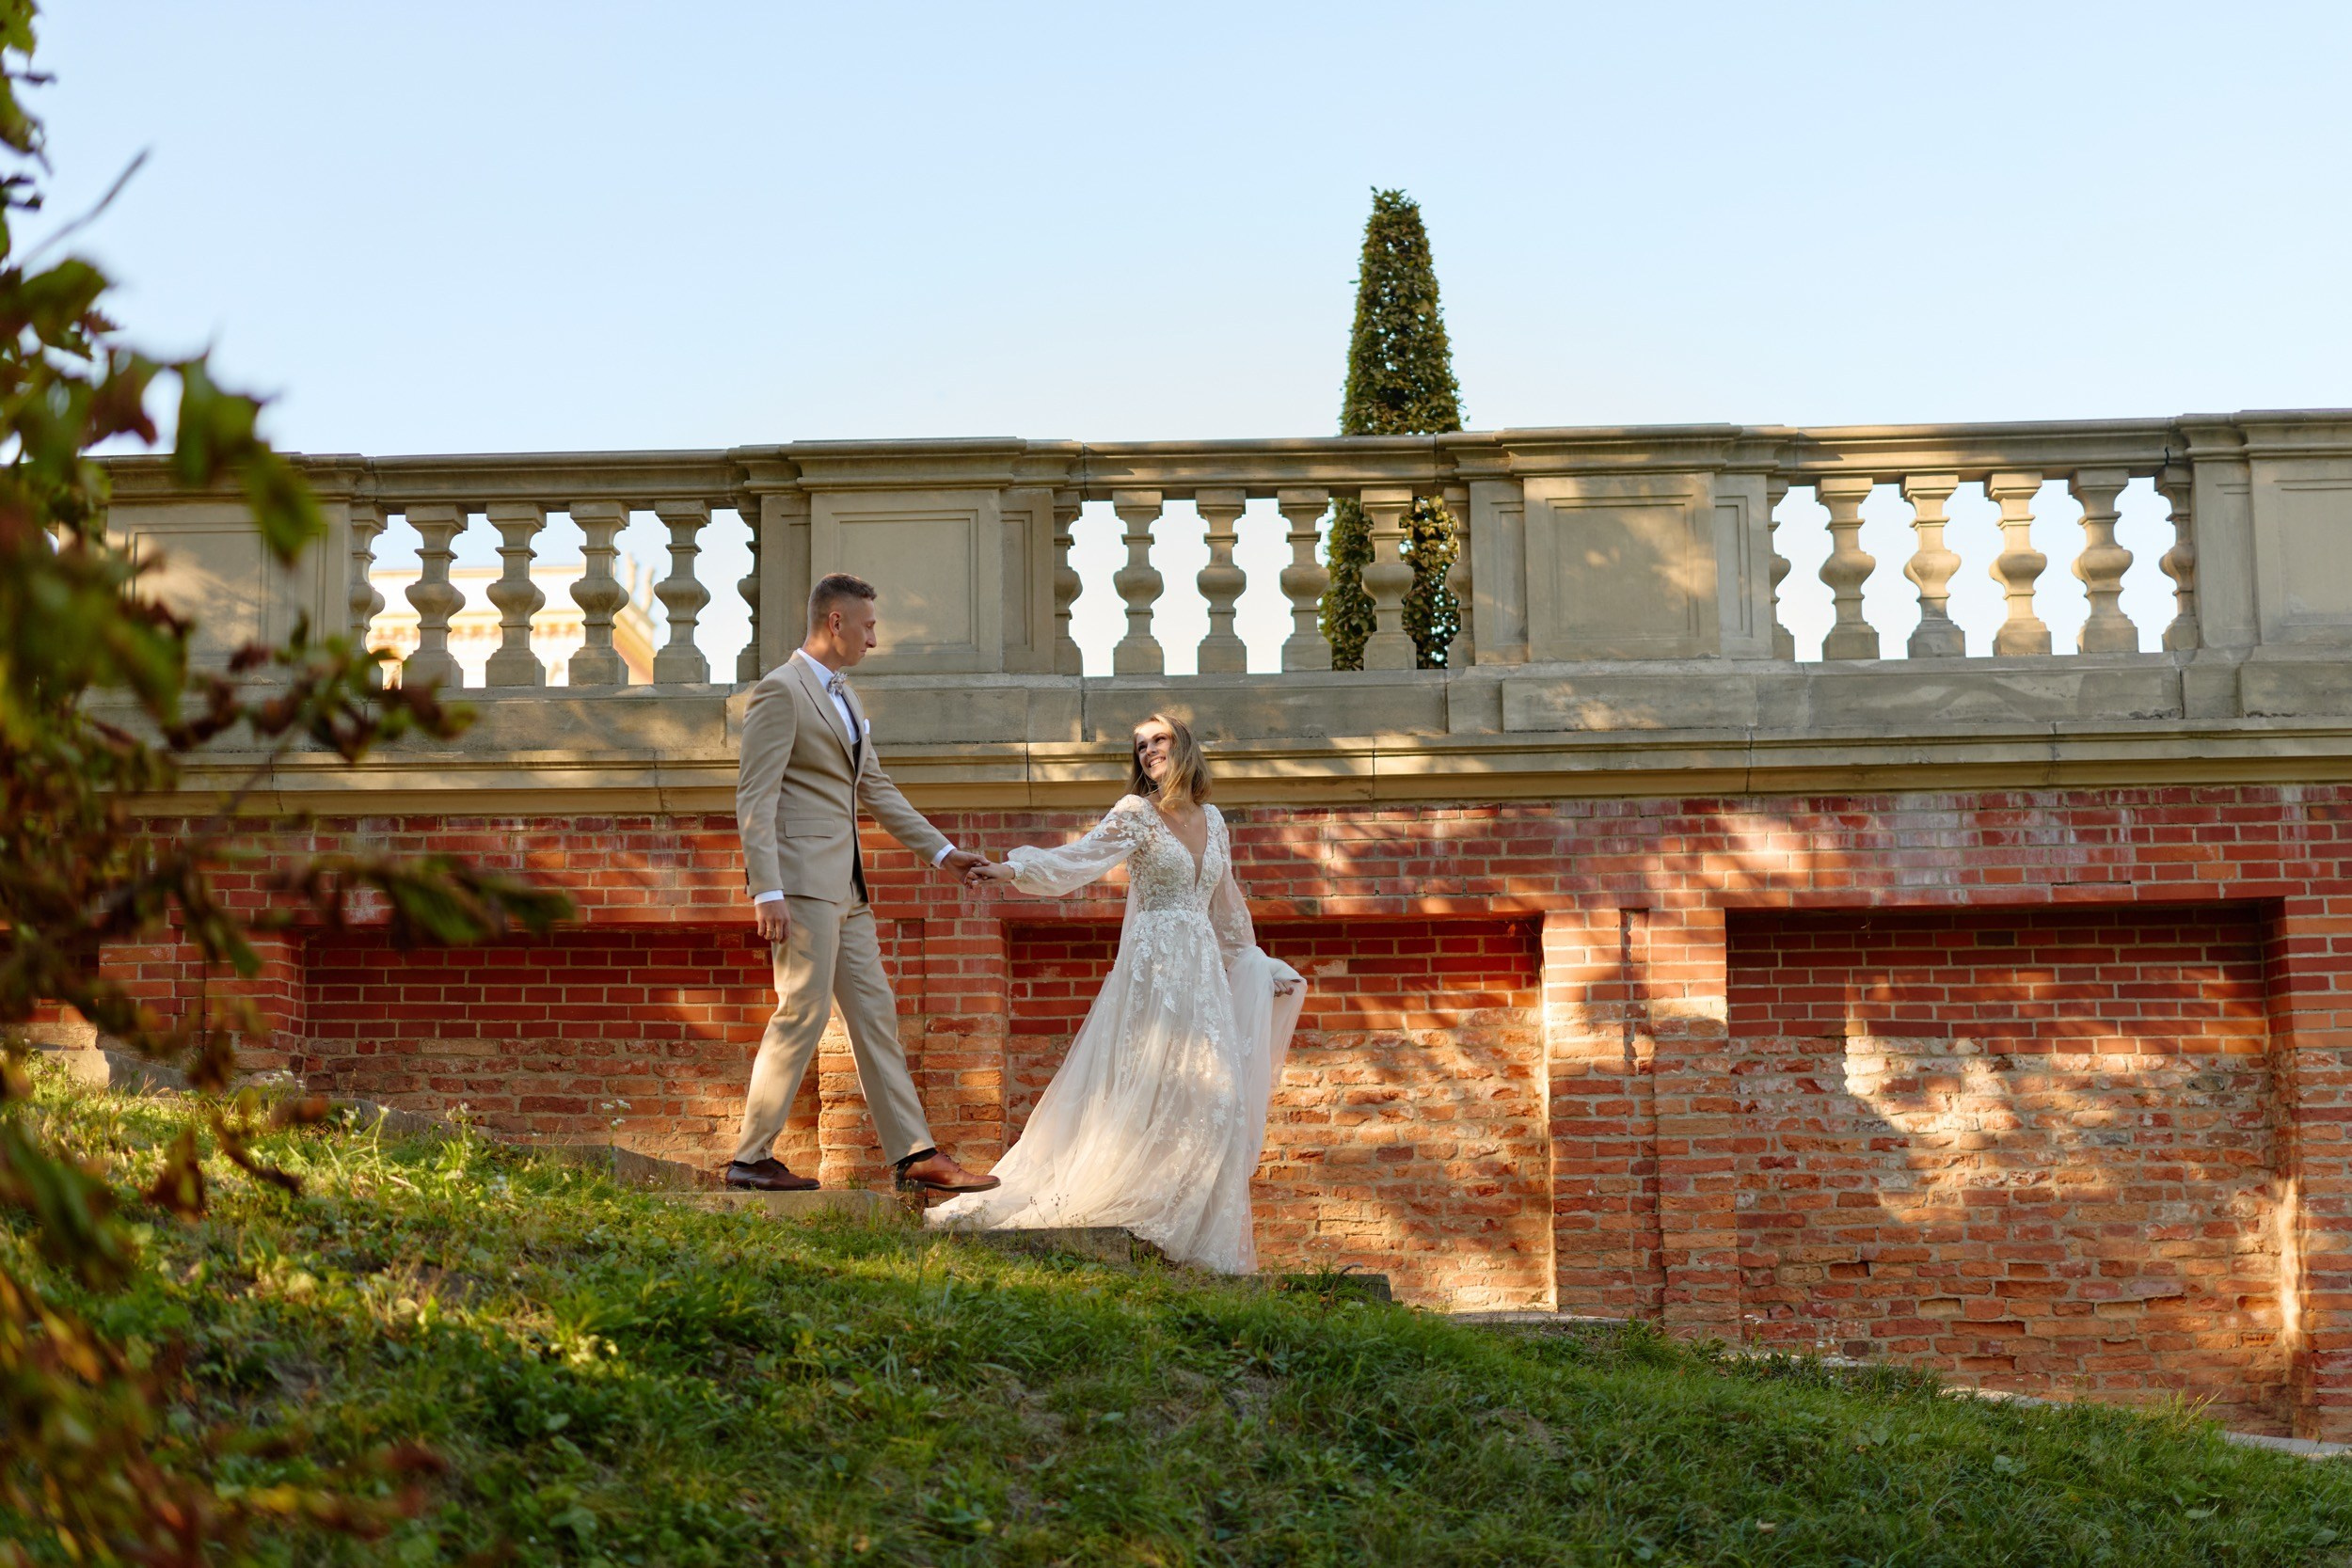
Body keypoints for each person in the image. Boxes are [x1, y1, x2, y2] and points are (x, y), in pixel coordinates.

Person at [932, 713, 1305, 1272]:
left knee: (1214, 1098)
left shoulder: (1215, 820)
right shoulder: (1136, 814)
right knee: (1149, 1089)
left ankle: (1197, 1240)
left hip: (1201, 972)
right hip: (1153, 973)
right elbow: (1078, 857)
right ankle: (1138, 1217)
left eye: (1159, 740)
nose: (1149, 752)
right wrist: (1011, 871)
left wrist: (1257, 964)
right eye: (1140, 746)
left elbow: (1226, 907)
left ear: (1185, 747)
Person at [725, 572, 1001, 1196]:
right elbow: (755, 794)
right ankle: (750, 1156)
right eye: (869, 625)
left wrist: (945, 852)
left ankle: (916, 1155)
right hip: (799, 886)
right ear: (836, 623)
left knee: (875, 1014)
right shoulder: (781, 692)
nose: (875, 639)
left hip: (847, 891)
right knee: (803, 1009)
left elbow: (875, 789)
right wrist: (766, 889)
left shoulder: (846, 697)